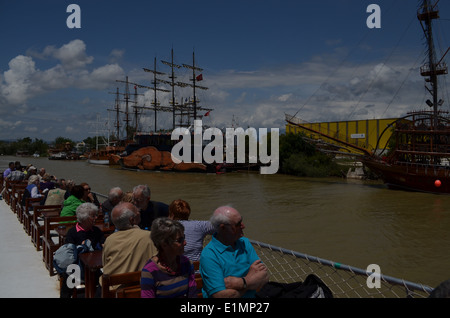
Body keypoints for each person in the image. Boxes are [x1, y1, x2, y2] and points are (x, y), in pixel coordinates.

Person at [199, 206, 269, 298]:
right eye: (238, 224)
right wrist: (249, 281)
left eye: (242, 221)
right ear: (223, 228)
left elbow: (265, 276)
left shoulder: (244, 243)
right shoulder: (209, 255)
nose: (243, 226)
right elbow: (221, 296)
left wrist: (240, 283)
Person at [101, 202, 157, 293]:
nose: (139, 211)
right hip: (138, 290)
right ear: (132, 220)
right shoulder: (149, 237)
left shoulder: (109, 240)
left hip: (111, 290)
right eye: (136, 211)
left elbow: (105, 264)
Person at [140, 217, 197, 298]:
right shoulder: (150, 271)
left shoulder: (186, 263)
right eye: (180, 240)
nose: (185, 243)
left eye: (183, 237)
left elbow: (192, 295)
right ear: (164, 244)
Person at [60, 202, 105, 298]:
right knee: (68, 281)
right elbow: (69, 252)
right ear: (85, 218)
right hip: (76, 267)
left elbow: (104, 243)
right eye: (93, 216)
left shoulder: (96, 231)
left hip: (93, 267)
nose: (96, 218)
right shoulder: (72, 232)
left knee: (105, 280)